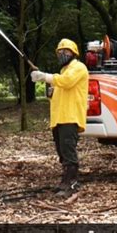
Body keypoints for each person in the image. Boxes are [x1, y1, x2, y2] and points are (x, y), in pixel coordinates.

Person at [30, 39, 88, 197]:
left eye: (66, 51)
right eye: (60, 52)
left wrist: (44, 77)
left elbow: (67, 82)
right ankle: (65, 182)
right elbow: (57, 91)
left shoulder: (78, 67)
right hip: (59, 118)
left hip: (70, 117)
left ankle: (72, 184)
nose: (63, 54)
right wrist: (49, 90)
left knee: (68, 151)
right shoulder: (63, 72)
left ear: (73, 53)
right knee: (62, 152)